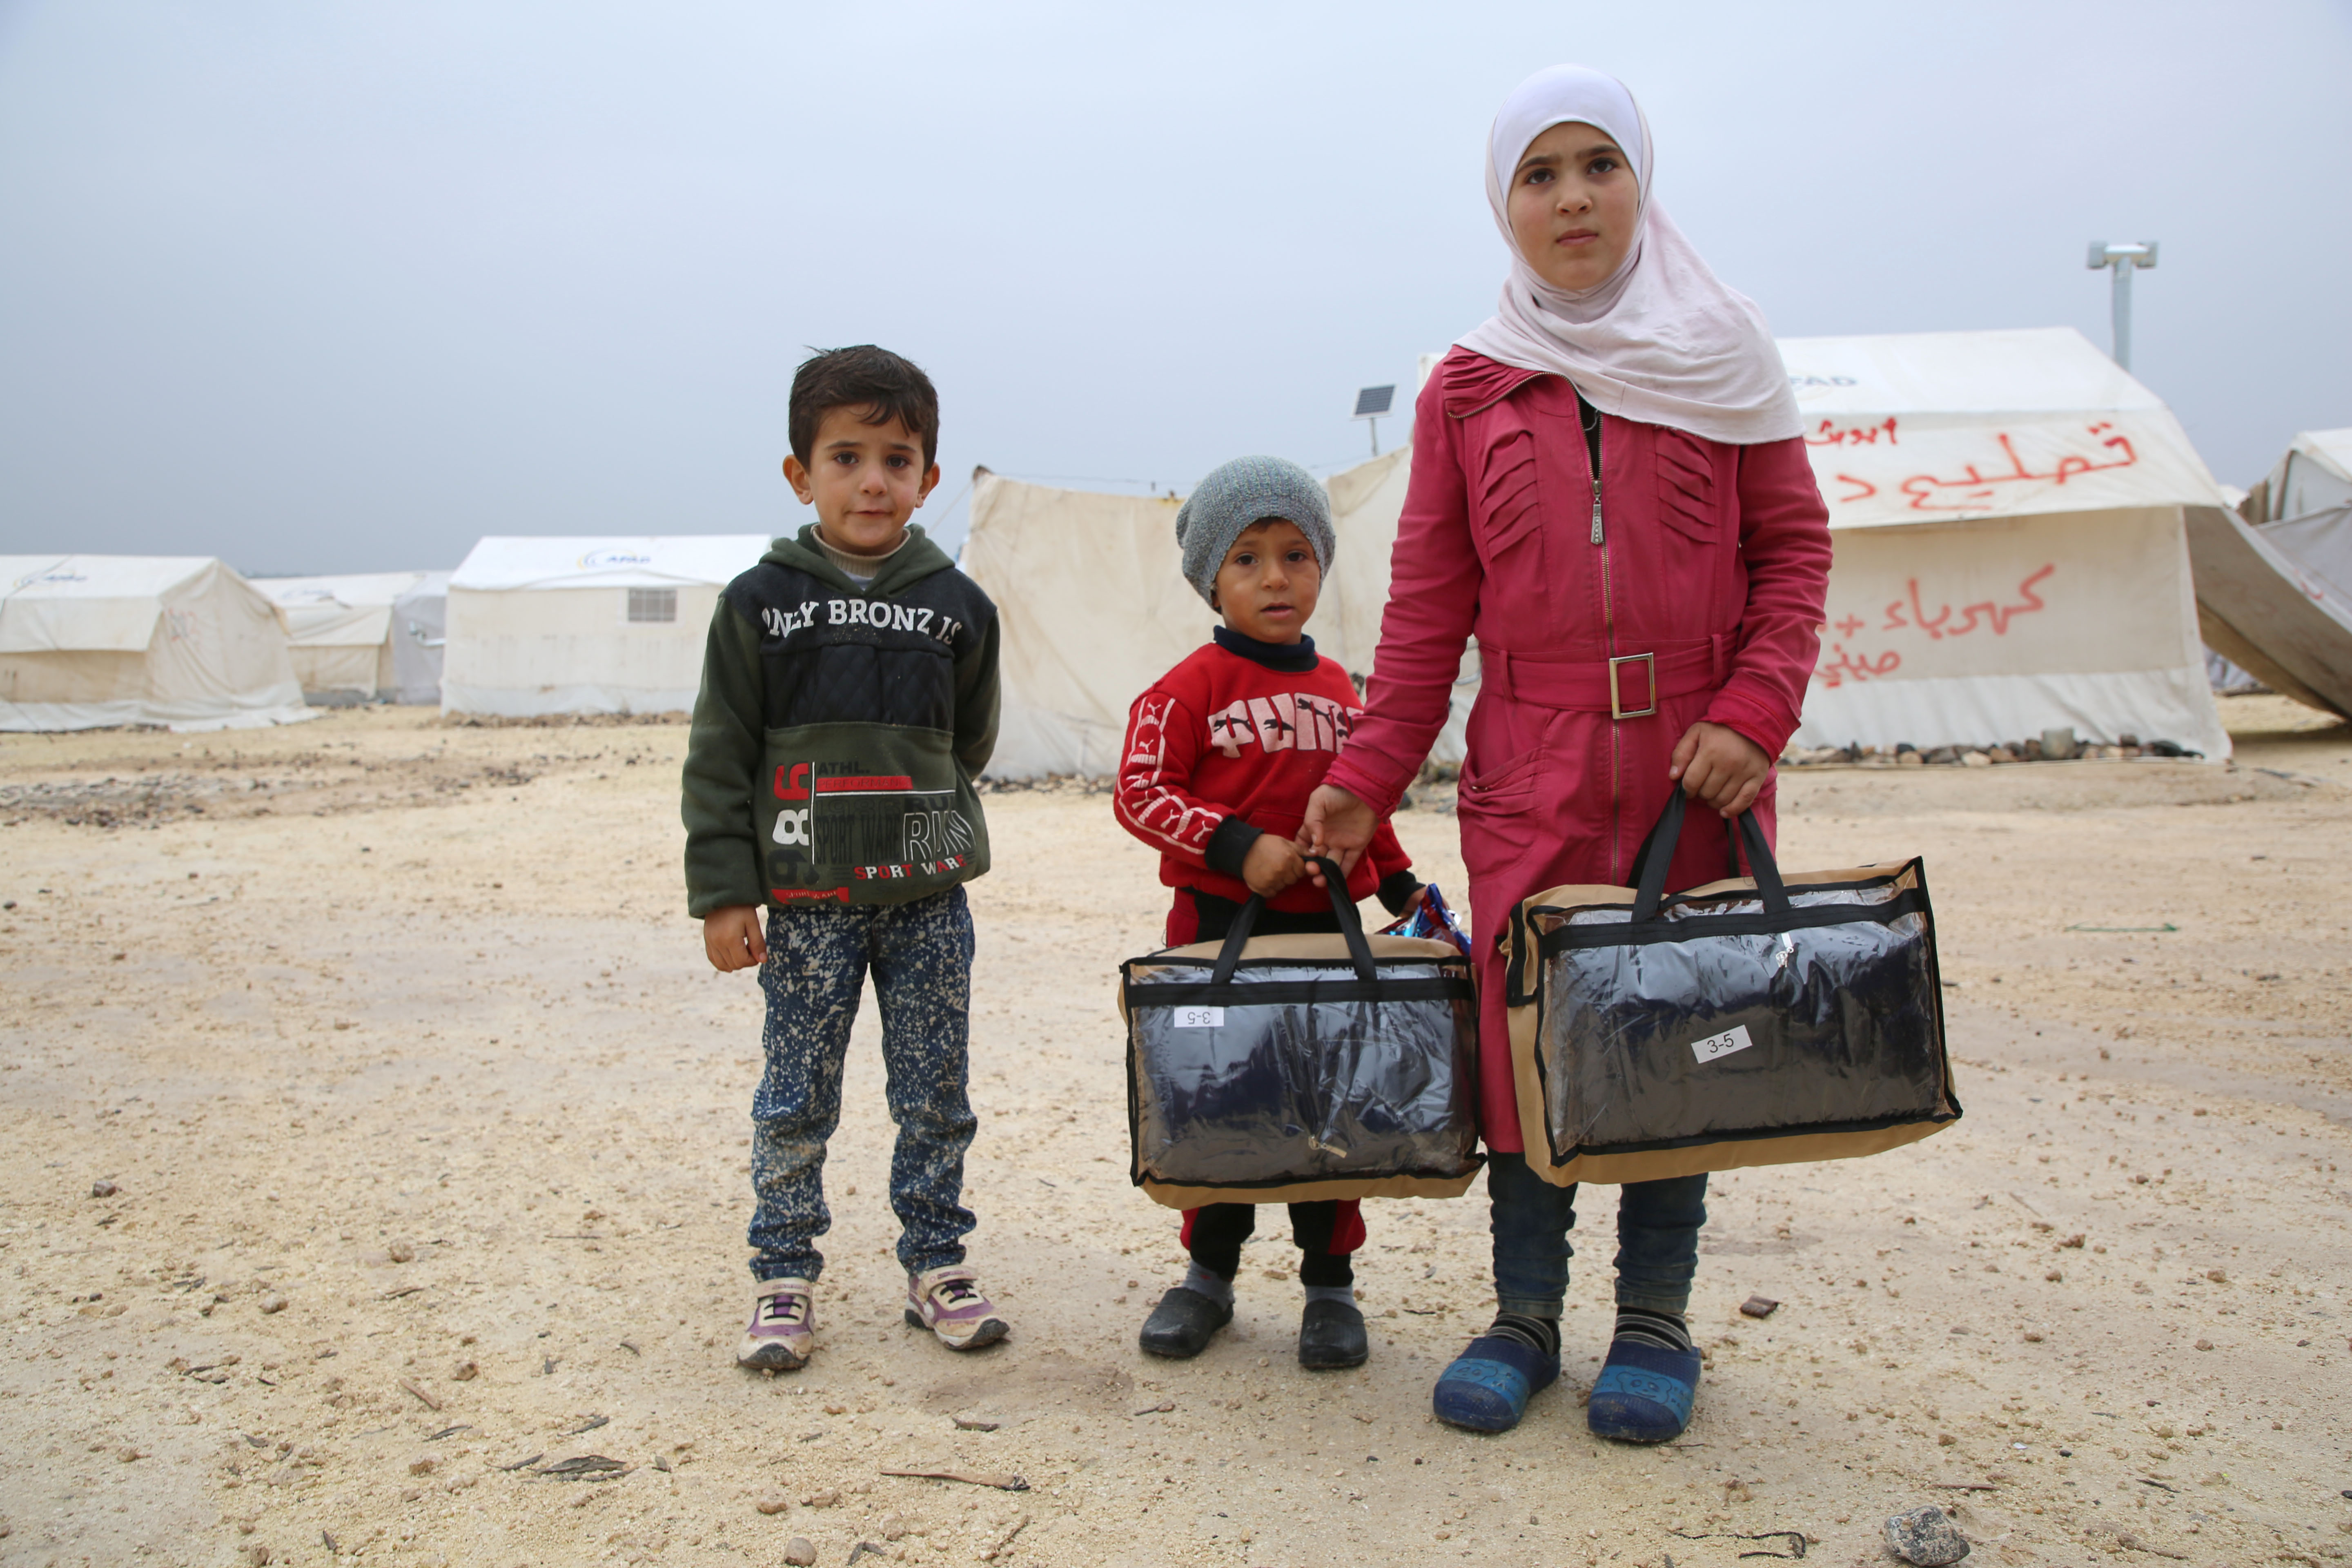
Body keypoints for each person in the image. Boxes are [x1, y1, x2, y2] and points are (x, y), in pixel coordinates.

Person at [1303, 67, 1832, 1441]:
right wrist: (1362, 781)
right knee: (1527, 1035)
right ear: (1506, 205)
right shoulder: (1468, 388)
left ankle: (1653, 1322)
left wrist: (1755, 714)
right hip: (1529, 761)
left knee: (1680, 1031)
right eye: (1541, 174)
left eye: (1599, 164)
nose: (1573, 196)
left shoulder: (1726, 350)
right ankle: (1524, 1315)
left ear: (1640, 181)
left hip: (1700, 758)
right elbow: (1428, 610)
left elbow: (1792, 555)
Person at [683, 344, 1009, 1373]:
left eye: (899, 460)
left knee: (934, 1091)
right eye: (848, 457)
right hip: (808, 904)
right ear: (801, 474)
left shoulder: (958, 608)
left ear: (929, 477)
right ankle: (784, 1277)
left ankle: (938, 1262)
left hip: (926, 901)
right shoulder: (758, 604)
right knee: (796, 1094)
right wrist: (727, 890)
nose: (874, 481)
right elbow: (719, 755)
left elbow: (972, 740)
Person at [1111, 455, 1425, 1371]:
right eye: (1247, 559)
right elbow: (1138, 791)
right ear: (1211, 577)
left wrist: (1403, 889)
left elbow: (1369, 809)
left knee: (1335, 1100)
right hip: (1217, 936)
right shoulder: (1187, 689)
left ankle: (1330, 1286)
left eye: (1296, 554)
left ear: (1323, 567)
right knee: (1222, 1105)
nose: (1276, 577)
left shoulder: (1341, 689)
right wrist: (1235, 843)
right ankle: (1207, 1278)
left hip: (1329, 936)